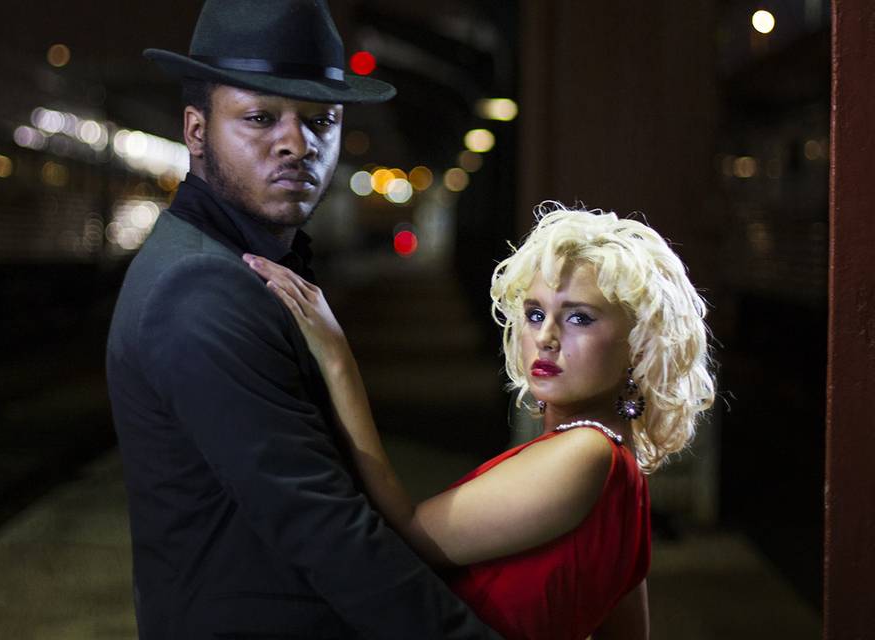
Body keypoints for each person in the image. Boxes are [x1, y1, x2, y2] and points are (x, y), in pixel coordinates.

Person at [106, 1, 502, 638]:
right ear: (197, 130)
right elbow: (327, 529)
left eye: (321, 119)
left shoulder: (244, 264)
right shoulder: (199, 291)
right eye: (261, 118)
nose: (297, 142)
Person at [246, 202, 716, 640]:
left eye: (579, 319)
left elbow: (406, 535)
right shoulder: (625, 478)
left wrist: (337, 360)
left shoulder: (586, 453)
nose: (546, 337)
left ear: (640, 344)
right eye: (535, 314)